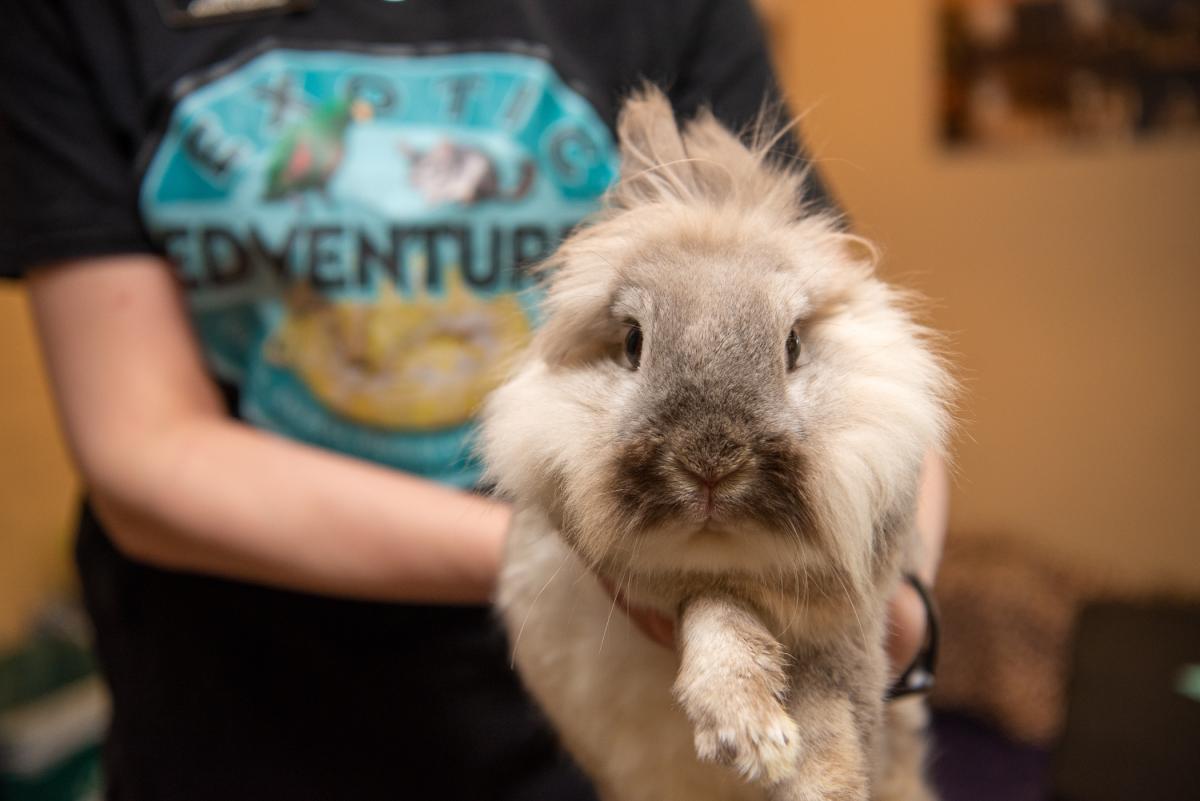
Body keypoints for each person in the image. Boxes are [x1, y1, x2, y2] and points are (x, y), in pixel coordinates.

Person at [0, 1, 948, 799]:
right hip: (245, 713)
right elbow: (144, 447)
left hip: (605, 733)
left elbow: (846, 325)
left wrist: (880, 583)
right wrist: (568, 549)